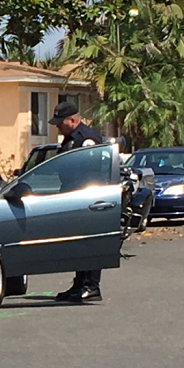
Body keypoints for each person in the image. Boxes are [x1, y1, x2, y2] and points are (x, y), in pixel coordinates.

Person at [48, 101, 104, 302]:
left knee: (88, 243)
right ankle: (79, 283)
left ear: (72, 120)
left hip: (86, 197)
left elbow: (89, 169)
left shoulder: (86, 139)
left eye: (60, 122)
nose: (57, 126)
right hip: (74, 197)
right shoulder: (70, 138)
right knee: (78, 243)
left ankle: (91, 285)